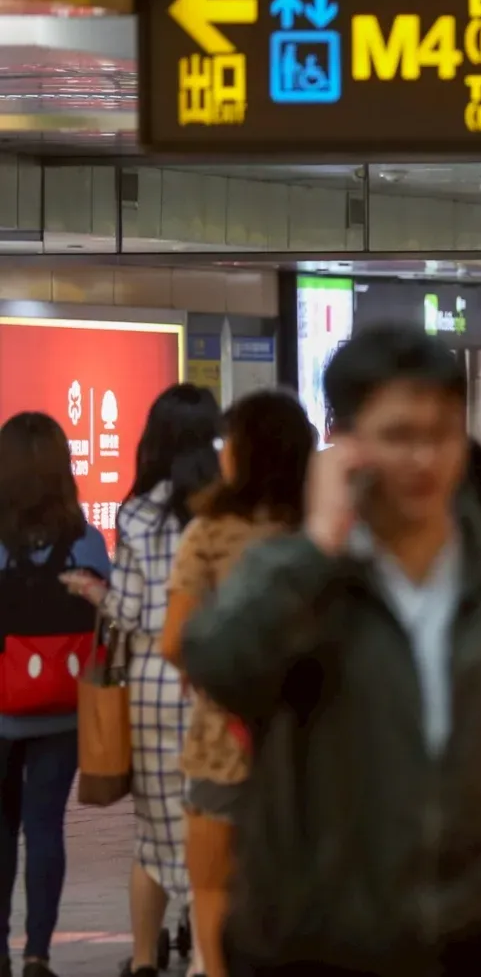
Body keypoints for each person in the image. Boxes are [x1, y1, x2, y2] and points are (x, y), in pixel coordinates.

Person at [182, 324, 481, 977]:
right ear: (343, 443)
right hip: (313, 945)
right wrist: (319, 546)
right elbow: (218, 664)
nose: (423, 459)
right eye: (399, 436)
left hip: (478, 940)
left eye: (440, 434)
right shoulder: (296, 574)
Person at [159, 390, 315, 977]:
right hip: (315, 743)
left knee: (215, 889)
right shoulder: (327, 533)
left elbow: (176, 639)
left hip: (225, 741)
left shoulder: (212, 532)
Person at [66, 385, 220, 977]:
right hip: (213, 682)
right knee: (213, 825)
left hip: (154, 687)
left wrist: (93, 591)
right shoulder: (225, 507)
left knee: (154, 837)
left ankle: (143, 960)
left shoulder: (135, 513)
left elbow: (127, 612)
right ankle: (208, 956)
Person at [0, 413, 111, 977]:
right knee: (45, 826)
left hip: (0, 708)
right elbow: (108, 620)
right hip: (63, 711)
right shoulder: (85, 540)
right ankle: (38, 952)